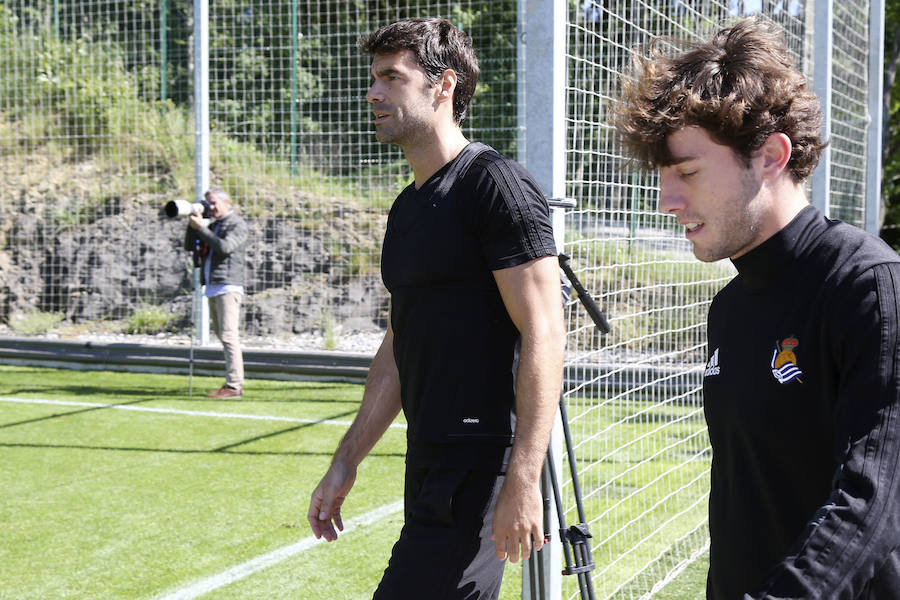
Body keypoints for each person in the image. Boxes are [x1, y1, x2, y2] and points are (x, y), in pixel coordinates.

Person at [614, 16, 900, 600]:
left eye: (687, 171)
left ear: (771, 155)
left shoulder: (868, 286)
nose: (666, 200)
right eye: (663, 175)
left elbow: (872, 501)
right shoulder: (729, 307)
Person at [307, 17, 565, 600]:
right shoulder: (407, 208)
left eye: (391, 78)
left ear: (443, 85)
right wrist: (347, 459)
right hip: (428, 455)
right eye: (374, 78)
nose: (372, 93)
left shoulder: (496, 186)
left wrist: (523, 478)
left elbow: (546, 332)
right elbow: (399, 343)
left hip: (482, 464)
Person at [183, 186, 250, 399]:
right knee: (223, 335)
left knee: (229, 335)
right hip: (213, 286)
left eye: (214, 203)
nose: (210, 207)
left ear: (226, 203)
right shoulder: (214, 224)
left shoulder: (237, 224)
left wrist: (202, 229)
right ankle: (232, 382)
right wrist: (193, 226)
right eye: (208, 203)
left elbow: (224, 247)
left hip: (228, 286)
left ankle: (234, 385)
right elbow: (189, 246)